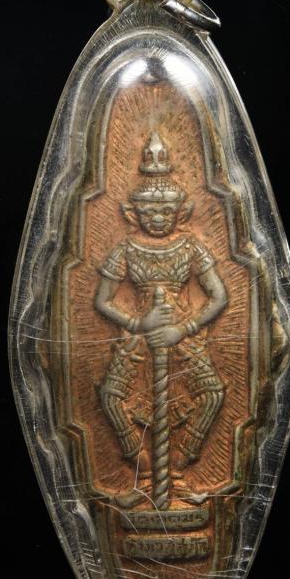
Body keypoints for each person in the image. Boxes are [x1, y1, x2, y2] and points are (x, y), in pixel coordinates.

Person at [94, 133, 228, 504]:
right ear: (132, 214)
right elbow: (102, 300)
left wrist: (182, 329)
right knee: (109, 397)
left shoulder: (191, 246)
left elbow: (219, 296)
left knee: (213, 395)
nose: (157, 219)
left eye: (166, 212)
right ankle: (144, 474)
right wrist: (140, 324)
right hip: (139, 333)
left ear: (181, 213)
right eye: (149, 212)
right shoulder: (125, 248)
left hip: (182, 331)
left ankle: (179, 471)